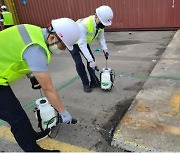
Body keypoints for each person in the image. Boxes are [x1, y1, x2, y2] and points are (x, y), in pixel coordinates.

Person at [0, 18, 81, 152]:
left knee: (17, 112)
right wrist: (63, 112)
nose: (63, 49)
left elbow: (15, 51)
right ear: (52, 37)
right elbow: (48, 88)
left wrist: (31, 75)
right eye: (63, 46)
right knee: (17, 119)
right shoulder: (36, 50)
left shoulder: (33, 31)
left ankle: (31, 136)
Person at [69, 5, 113, 93]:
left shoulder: (100, 25)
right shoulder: (84, 24)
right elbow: (82, 44)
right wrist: (90, 60)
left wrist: (105, 49)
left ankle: (94, 81)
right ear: (96, 16)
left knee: (91, 61)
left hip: (84, 42)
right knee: (79, 64)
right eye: (102, 22)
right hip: (72, 42)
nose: (103, 25)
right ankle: (85, 83)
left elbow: (101, 38)